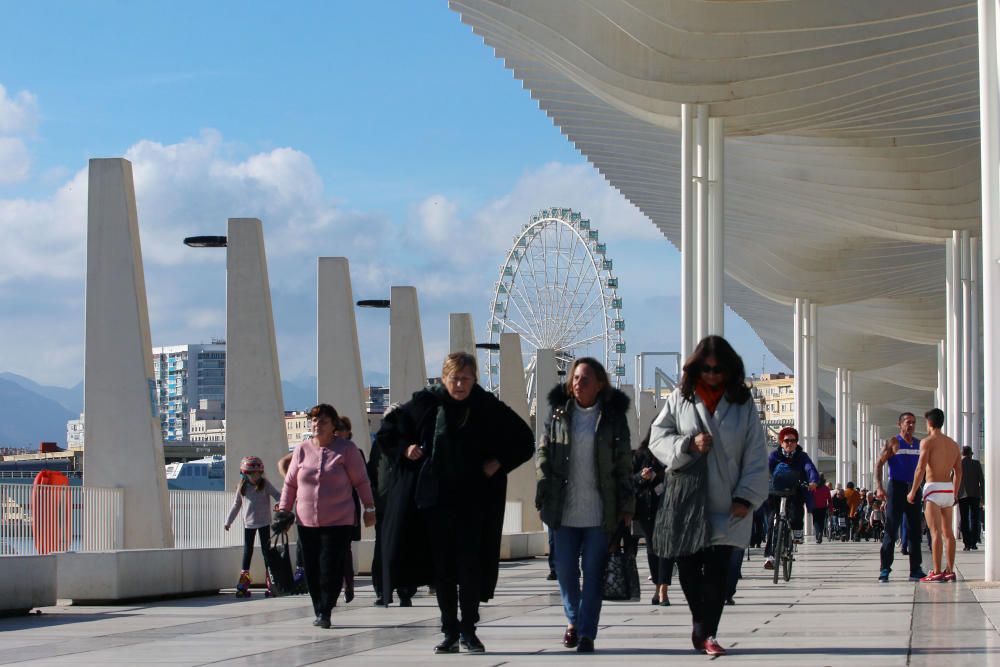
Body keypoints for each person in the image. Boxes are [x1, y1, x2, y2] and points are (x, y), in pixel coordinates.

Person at [376, 352, 534, 654]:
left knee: (470, 567)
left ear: (475, 379)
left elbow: (524, 440)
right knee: (443, 570)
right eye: (454, 378)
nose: (459, 384)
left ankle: (469, 629)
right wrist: (406, 448)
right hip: (433, 500)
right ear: (444, 378)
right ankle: (449, 630)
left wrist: (498, 462)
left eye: (465, 378)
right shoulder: (426, 403)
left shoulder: (486, 406)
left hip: (474, 500)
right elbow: (387, 433)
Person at [650, 335, 768, 657]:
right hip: (689, 500)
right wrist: (687, 444)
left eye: (719, 369)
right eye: (707, 368)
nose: (713, 375)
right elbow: (657, 438)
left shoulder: (743, 406)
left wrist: (746, 496)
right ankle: (700, 623)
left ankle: (708, 633)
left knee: (718, 571)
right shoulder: (680, 399)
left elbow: (756, 454)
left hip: (729, 503)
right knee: (688, 568)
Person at [538, 356, 634, 653]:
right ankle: (573, 620)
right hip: (564, 509)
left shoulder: (613, 420)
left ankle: (586, 632)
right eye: (575, 378)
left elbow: (623, 464)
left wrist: (627, 505)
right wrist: (543, 488)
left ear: (600, 384)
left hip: (599, 510)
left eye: (585, 379)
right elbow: (543, 453)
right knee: (565, 570)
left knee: (593, 572)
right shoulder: (557, 415)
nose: (578, 383)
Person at [276, 403, 375, 629]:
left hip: (338, 521)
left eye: (322, 421)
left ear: (333, 426)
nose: (317, 425)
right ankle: (318, 606)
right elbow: (290, 484)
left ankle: (326, 610)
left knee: (330, 566)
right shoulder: (302, 450)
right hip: (306, 520)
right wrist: (283, 511)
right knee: (311, 568)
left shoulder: (347, 450)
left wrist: (369, 508)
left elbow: (361, 481)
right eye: (313, 421)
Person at [908, 408, 962, 582]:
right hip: (948, 489)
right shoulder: (953, 444)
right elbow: (959, 472)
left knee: (935, 532)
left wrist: (913, 491)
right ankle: (950, 570)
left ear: (929, 423)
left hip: (933, 489)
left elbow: (920, 468)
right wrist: (954, 492)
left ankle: (937, 571)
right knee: (949, 533)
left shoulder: (927, 442)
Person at [875, 413, 926, 582]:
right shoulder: (894, 442)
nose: (910, 425)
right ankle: (885, 569)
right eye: (907, 422)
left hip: (914, 488)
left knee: (915, 530)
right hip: (896, 488)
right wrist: (879, 487)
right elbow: (879, 464)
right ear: (900, 424)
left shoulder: (919, 444)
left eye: (913, 422)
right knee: (891, 528)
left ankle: (916, 569)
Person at [763, 426, 819, 569]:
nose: (790, 443)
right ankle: (770, 557)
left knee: (795, 512)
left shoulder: (802, 456)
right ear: (781, 442)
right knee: (772, 523)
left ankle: (797, 531)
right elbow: (765, 468)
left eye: (793, 440)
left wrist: (813, 481)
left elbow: (809, 468)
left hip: (795, 489)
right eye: (786, 440)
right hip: (775, 491)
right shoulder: (774, 456)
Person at [224, 455, 281, 596]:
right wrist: (228, 521)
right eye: (252, 474)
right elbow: (236, 505)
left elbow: (277, 495)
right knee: (247, 551)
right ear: (245, 473)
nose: (255, 477)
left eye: (258, 474)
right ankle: (244, 579)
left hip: (264, 523)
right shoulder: (242, 487)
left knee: (266, 551)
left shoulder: (265, 484)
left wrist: (280, 504)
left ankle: (271, 579)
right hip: (249, 524)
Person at [632, 430, 674, 606]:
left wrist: (658, 475)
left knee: (666, 548)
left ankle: (663, 588)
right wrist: (642, 477)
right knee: (652, 548)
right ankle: (658, 586)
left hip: (668, 506)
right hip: (646, 508)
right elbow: (630, 480)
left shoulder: (672, 453)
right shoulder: (640, 455)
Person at [958, 446, 984, 551]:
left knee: (964, 519)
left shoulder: (958, 464)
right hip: (975, 494)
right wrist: (983, 497)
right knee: (975, 518)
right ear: (970, 454)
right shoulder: (976, 464)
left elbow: (953, 478)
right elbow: (981, 481)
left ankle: (967, 543)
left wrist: (954, 494)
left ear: (962, 454)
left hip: (962, 495)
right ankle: (974, 542)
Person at [811, 475, 832, 543]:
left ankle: (818, 533)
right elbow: (829, 499)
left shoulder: (814, 487)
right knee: (821, 521)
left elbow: (810, 496)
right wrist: (830, 508)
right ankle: (820, 533)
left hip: (815, 507)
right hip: (823, 507)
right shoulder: (826, 488)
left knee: (815, 521)